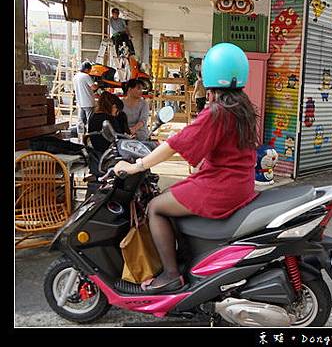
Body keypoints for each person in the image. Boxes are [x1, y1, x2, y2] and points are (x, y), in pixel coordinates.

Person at [113, 43, 259, 294]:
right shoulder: (242, 107)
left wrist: (137, 166)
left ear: (210, 74)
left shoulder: (217, 110)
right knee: (173, 195)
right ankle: (186, 260)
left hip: (221, 185)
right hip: (238, 183)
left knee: (156, 206)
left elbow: (175, 144)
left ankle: (171, 276)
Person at [72, 61, 99, 130]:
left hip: (80, 102)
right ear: (87, 69)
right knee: (90, 121)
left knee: (81, 122)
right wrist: (97, 84)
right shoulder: (86, 76)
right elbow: (93, 87)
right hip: (88, 102)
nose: (90, 72)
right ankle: (90, 136)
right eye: (90, 70)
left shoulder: (76, 76)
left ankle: (80, 135)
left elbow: (84, 88)